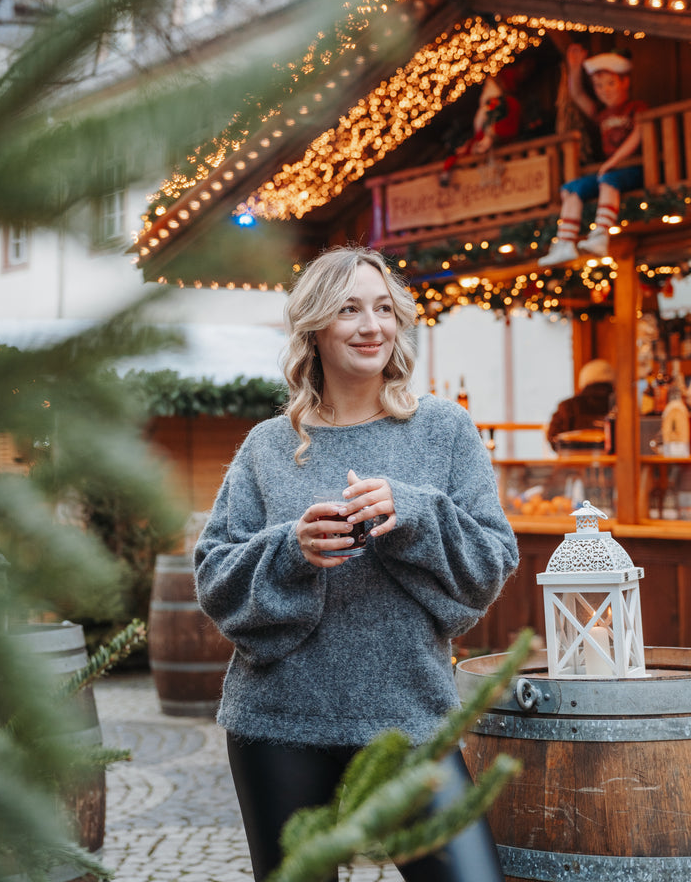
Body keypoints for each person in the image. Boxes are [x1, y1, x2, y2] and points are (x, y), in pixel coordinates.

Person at [193, 245, 519, 882]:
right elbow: (214, 575)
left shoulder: (444, 430)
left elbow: (491, 561)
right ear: (315, 327)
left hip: (409, 715)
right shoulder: (267, 446)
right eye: (349, 309)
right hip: (279, 717)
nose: (371, 326)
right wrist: (293, 549)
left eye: (383, 308)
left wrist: (416, 513)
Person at [539, 45, 648, 266]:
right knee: (571, 188)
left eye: (610, 84)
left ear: (624, 82)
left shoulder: (636, 107)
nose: (604, 90)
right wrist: (575, 68)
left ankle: (601, 234)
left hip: (634, 168)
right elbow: (577, 95)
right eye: (598, 86)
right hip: (609, 170)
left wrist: (612, 162)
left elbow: (638, 135)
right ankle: (565, 241)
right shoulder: (601, 113)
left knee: (608, 180)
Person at [439, 68, 523, 185]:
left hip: (504, 157)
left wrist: (491, 136)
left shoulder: (509, 104)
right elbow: (479, 135)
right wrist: (468, 146)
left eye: (487, 87)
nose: (485, 89)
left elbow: (508, 128)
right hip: (483, 156)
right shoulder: (485, 110)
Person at [546, 358, 615, 449]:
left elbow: (553, 438)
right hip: (614, 462)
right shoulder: (621, 405)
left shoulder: (567, 406)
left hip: (574, 461)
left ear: (583, 379)